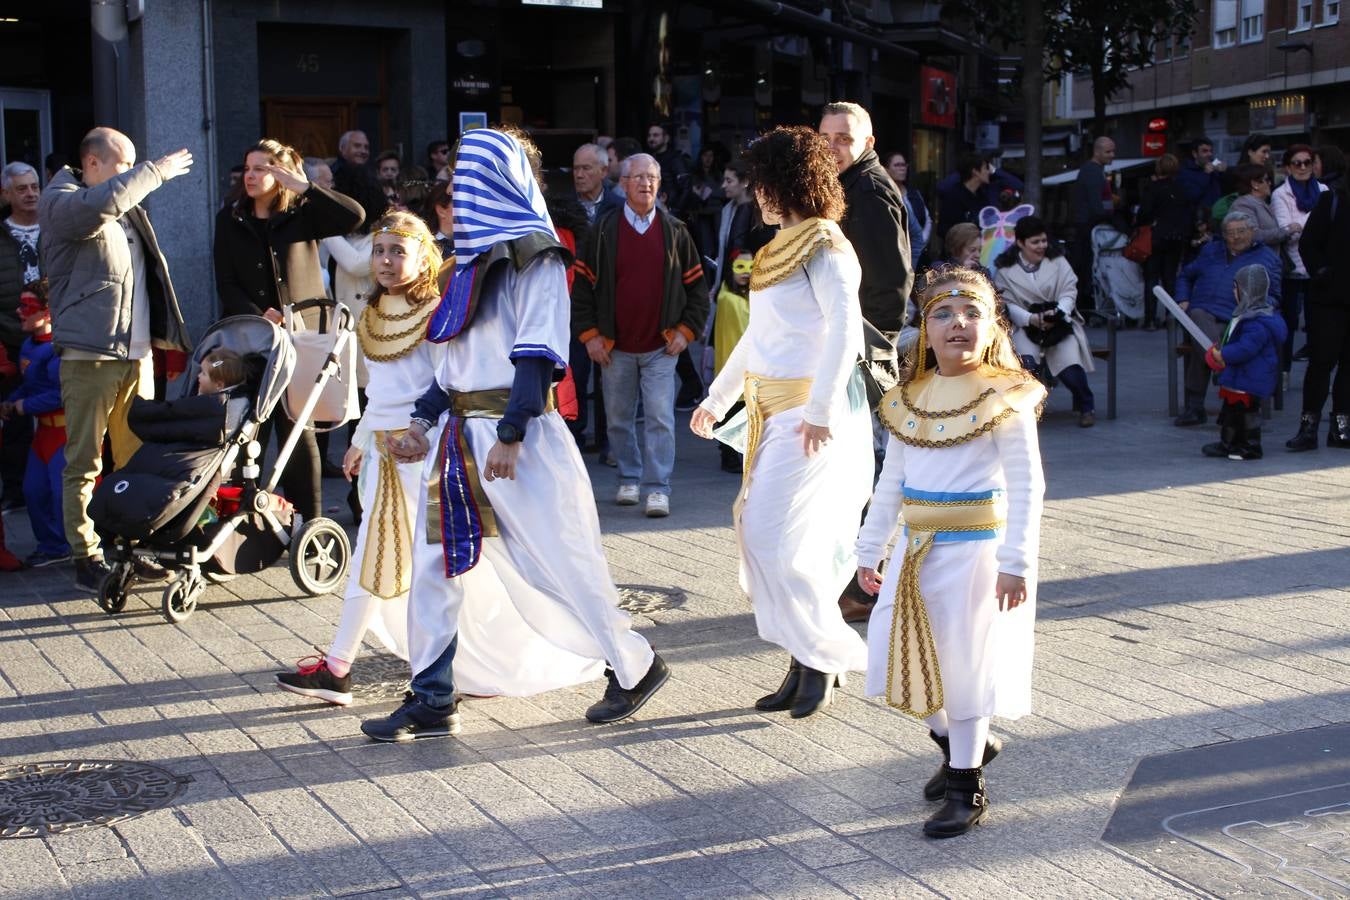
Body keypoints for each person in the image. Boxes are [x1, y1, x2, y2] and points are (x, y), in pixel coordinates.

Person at [358, 128, 670, 742]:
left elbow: (537, 351)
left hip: (516, 440)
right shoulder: (462, 266)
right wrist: (421, 425)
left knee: (557, 562)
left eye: (473, 175)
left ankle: (634, 664)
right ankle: (431, 695)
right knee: (434, 566)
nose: (460, 189)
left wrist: (512, 430)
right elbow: (448, 368)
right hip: (458, 440)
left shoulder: (540, 257)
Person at [854, 264, 1046, 839]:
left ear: (992, 327)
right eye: (943, 314)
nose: (957, 324)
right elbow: (892, 481)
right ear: (924, 327)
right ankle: (963, 743)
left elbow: (1028, 483)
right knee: (895, 658)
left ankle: (966, 787)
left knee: (966, 668)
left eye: (972, 314)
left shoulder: (1004, 396)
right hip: (916, 555)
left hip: (976, 556)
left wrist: (1016, 563)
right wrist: (868, 549)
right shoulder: (909, 398)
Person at [690, 125, 873, 719]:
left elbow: (846, 329)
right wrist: (718, 399)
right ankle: (807, 658)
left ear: (789, 184)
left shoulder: (826, 244)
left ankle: (822, 658)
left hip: (808, 416)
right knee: (773, 539)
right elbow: (756, 338)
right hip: (771, 414)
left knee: (781, 540)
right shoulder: (772, 251)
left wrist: (820, 411)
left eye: (763, 184)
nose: (756, 196)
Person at [40, 127, 193, 590]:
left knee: (137, 461)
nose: (131, 171)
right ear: (92, 163)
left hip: (136, 353)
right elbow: (96, 207)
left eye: (133, 163)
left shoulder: (119, 204)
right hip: (91, 356)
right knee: (85, 461)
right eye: (123, 163)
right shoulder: (63, 200)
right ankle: (86, 556)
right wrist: (154, 172)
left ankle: (129, 549)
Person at [213, 138, 364, 522]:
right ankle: (241, 516)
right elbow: (226, 282)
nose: (251, 175)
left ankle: (308, 521)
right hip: (253, 339)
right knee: (249, 430)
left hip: (302, 340)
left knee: (299, 430)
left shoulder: (303, 212)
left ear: (281, 174)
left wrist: (305, 187)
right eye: (248, 168)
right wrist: (255, 313)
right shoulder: (230, 218)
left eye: (261, 168)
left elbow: (354, 217)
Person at [571, 152, 709, 518]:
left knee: (661, 418)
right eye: (638, 177)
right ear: (624, 183)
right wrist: (589, 336)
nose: (646, 184)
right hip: (614, 348)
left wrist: (685, 332)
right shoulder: (603, 230)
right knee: (617, 417)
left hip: (660, 348)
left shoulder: (676, 231)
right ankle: (629, 477)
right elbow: (582, 289)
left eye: (652, 178)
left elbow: (697, 291)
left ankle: (657, 487)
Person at [1174, 211, 1281, 426]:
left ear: (1253, 231)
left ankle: (1196, 405)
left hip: (1239, 322)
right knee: (1197, 317)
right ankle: (1221, 368)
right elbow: (1186, 274)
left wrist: (1248, 312)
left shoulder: (1267, 257)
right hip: (1203, 314)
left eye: (1241, 231)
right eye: (1230, 233)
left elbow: (1274, 295)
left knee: (1202, 344)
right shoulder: (1210, 251)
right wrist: (1182, 298)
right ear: (1223, 235)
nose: (1236, 237)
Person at [817, 102, 913, 333]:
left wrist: (871, 348)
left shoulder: (869, 191)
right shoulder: (848, 183)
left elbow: (889, 284)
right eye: (823, 139)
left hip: (860, 342)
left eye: (843, 139)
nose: (830, 148)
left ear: (868, 143)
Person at [993, 216, 1097, 427]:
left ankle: (1087, 406)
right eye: (1035, 242)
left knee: (1071, 370)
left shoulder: (1058, 262)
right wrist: (1030, 318)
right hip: (1024, 325)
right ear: (1021, 243)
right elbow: (1007, 303)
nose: (1041, 246)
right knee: (1026, 366)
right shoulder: (1005, 269)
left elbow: (1069, 290)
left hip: (1059, 324)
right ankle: (1026, 410)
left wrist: (1057, 313)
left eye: (1043, 240)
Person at [1287, 146, 1350, 451]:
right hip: (1327, 299)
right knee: (1321, 363)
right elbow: (1308, 245)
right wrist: (1324, 272)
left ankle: (1341, 426)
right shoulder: (1332, 198)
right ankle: (1309, 426)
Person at [1, 282, 68, 567]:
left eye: (27, 307)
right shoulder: (30, 345)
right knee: (33, 490)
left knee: (61, 493)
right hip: (43, 432)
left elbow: (61, 393)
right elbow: (30, 386)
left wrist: (22, 405)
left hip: (65, 431)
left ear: (48, 312)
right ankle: (51, 546)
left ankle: (75, 546)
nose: (19, 312)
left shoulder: (60, 348)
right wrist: (12, 400)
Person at [1200, 265, 1286, 460]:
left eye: (1235, 287)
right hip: (1240, 378)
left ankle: (1250, 447)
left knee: (1246, 415)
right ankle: (1228, 443)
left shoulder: (1257, 322)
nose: (1233, 291)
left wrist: (1225, 355)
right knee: (1231, 413)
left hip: (1249, 379)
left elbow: (1246, 348)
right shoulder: (1247, 316)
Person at [0, 161, 42, 510]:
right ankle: (14, 492)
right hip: (10, 340)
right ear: (6, 194)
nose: (30, 194)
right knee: (14, 420)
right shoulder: (1, 235)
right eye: (22, 188)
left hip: (55, 341)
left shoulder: (56, 229)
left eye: (34, 187)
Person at [1271, 144, 1326, 374]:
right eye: (1297, 163)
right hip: (1292, 266)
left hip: (1318, 266)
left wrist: (1301, 226)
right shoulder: (1280, 194)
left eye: (1307, 162)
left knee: (1318, 324)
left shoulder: (1323, 190)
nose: (1303, 167)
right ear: (1287, 167)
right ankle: (1283, 372)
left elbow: (1323, 227)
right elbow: (1286, 230)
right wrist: (1315, 221)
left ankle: (1320, 372)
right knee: (1290, 323)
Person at [1138, 154, 1192, 330]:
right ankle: (1171, 317)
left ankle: (1151, 318)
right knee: (1170, 278)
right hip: (1175, 237)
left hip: (1156, 236)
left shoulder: (1152, 188)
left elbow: (1144, 213)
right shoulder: (1182, 188)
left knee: (1151, 279)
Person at [884, 151, 932, 264]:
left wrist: (920, 241)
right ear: (886, 169)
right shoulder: (884, 195)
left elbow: (928, 219)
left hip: (919, 253)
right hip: (897, 255)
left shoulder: (914, 193)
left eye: (904, 165)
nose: (902, 168)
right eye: (897, 165)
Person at [1228, 164, 1289, 249]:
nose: (1270, 183)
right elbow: (1254, 236)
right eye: (1267, 180)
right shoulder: (1243, 205)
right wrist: (1287, 231)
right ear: (1255, 184)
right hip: (1256, 261)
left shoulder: (1260, 203)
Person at [937, 152, 992, 234]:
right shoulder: (954, 197)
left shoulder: (982, 196)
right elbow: (943, 229)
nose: (989, 172)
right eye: (986, 168)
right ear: (975, 171)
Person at [1178, 137, 1226, 221]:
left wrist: (1223, 173)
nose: (1209, 154)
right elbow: (1192, 195)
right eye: (1205, 151)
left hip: (1218, 216)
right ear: (1195, 154)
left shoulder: (1214, 168)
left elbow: (1224, 191)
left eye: (1210, 151)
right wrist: (1205, 174)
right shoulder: (1185, 172)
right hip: (1199, 220)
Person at [571, 143, 620, 225]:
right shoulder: (563, 208)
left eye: (586, 168)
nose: (579, 175)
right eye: (576, 168)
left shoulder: (619, 207)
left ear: (604, 171)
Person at [645, 121, 690, 211]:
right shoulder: (649, 158)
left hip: (670, 213)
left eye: (656, 135)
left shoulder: (675, 159)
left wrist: (675, 210)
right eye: (649, 135)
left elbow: (686, 188)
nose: (651, 139)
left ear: (666, 138)